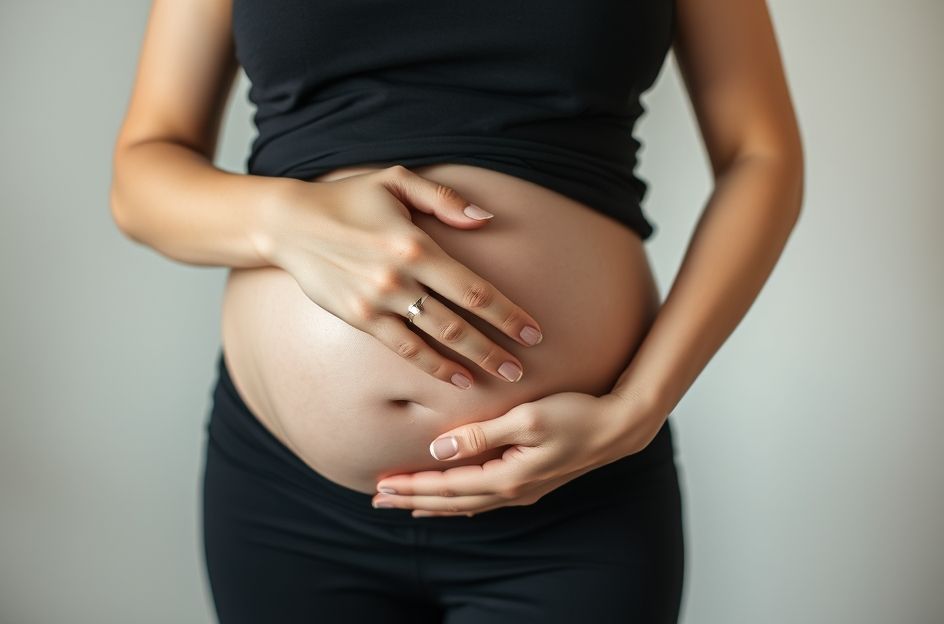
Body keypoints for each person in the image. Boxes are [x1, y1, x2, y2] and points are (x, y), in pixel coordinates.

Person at [110, 0, 804, 621]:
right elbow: (141, 175)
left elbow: (761, 153)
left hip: (576, 498)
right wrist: (287, 220)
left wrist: (639, 409)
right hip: (289, 500)